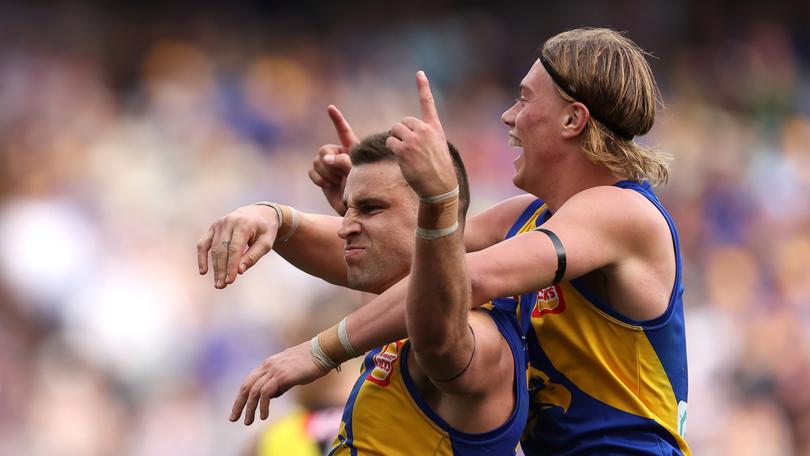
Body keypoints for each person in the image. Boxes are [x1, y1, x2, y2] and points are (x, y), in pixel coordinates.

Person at [199, 28, 689, 455]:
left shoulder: (622, 210)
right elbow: (423, 264)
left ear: (572, 120)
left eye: (524, 99)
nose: (508, 116)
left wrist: (320, 351)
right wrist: (289, 218)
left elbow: (468, 280)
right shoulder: (528, 217)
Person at [212, 131, 528, 454]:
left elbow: (440, 334)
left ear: (431, 215)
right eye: (348, 209)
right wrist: (274, 216)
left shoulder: (479, 337)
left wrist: (319, 350)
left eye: (370, 208)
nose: (343, 227)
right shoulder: (390, 315)